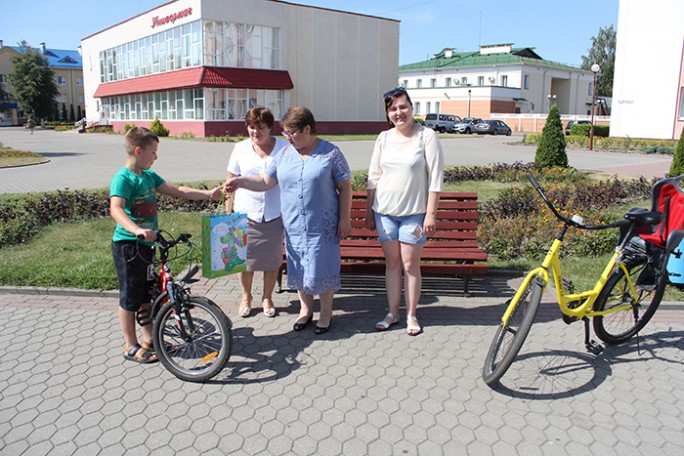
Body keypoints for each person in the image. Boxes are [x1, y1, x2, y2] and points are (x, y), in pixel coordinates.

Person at [225, 106, 352, 335]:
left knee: (322, 267)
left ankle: (325, 313)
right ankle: (305, 310)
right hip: (294, 225)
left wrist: (344, 218)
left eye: (291, 132)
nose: (288, 138)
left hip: (322, 225)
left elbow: (345, 187)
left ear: (307, 128)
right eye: (285, 133)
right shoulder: (283, 154)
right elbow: (265, 181)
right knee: (300, 268)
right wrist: (240, 182)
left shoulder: (330, 153)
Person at [110, 126, 222, 364]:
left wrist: (208, 194)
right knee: (129, 298)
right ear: (139, 151)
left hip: (147, 246)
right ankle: (130, 345)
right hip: (128, 246)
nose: (156, 157)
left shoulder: (149, 176)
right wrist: (137, 230)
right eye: (154, 152)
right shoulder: (123, 178)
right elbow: (116, 208)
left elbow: (177, 190)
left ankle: (150, 339)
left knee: (146, 295)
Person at [366, 87, 444, 336]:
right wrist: (369, 210)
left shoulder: (426, 136)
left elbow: (435, 178)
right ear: (388, 113)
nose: (398, 112)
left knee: (410, 264)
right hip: (384, 213)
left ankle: (411, 314)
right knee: (392, 263)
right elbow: (373, 176)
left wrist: (430, 213)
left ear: (411, 108)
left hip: (414, 214)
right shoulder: (383, 138)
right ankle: (392, 312)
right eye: (393, 108)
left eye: (402, 106)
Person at [226, 107, 289, 318]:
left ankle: (267, 297)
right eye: (251, 127)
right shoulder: (240, 148)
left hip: (274, 212)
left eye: (260, 127)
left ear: (270, 127)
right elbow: (230, 182)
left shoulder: (284, 147)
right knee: (245, 260)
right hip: (245, 212)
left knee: (271, 260)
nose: (255, 132)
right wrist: (228, 213)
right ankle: (246, 297)